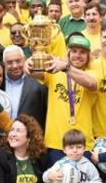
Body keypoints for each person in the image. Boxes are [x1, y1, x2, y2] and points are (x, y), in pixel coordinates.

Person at [32, 33, 98, 161]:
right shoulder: (55, 72)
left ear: (88, 56)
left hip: (82, 145)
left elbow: (90, 83)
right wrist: (31, 63)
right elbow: (33, 72)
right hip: (56, 143)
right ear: (68, 54)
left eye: (82, 52)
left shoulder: (92, 73)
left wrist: (66, 67)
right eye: (73, 51)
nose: (77, 55)